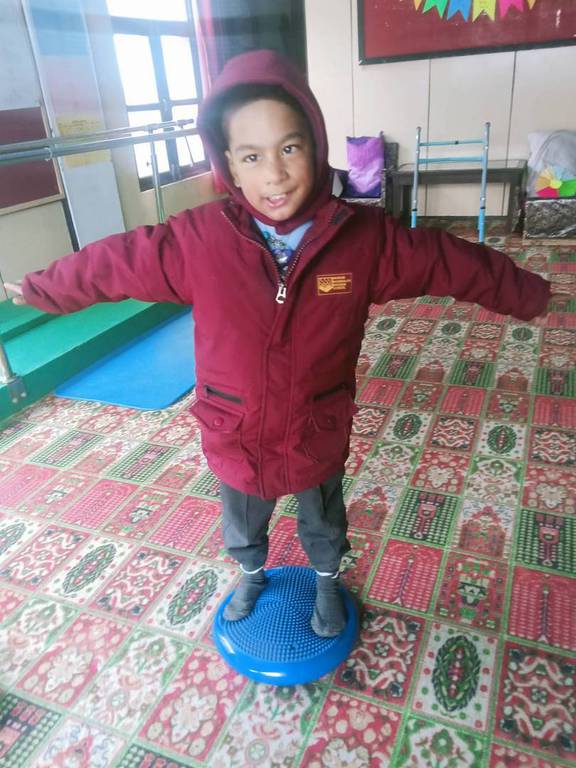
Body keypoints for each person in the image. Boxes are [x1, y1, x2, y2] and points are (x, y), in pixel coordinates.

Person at [4, 50, 557, 638]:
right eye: (252, 156)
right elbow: (117, 262)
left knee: (323, 515)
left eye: (289, 148)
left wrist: (529, 293)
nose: (275, 173)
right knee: (242, 517)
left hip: (314, 421)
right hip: (236, 426)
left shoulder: (363, 241)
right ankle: (251, 572)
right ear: (229, 166)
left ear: (315, 147)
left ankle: (326, 580)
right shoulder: (198, 241)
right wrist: (43, 288)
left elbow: (450, 261)